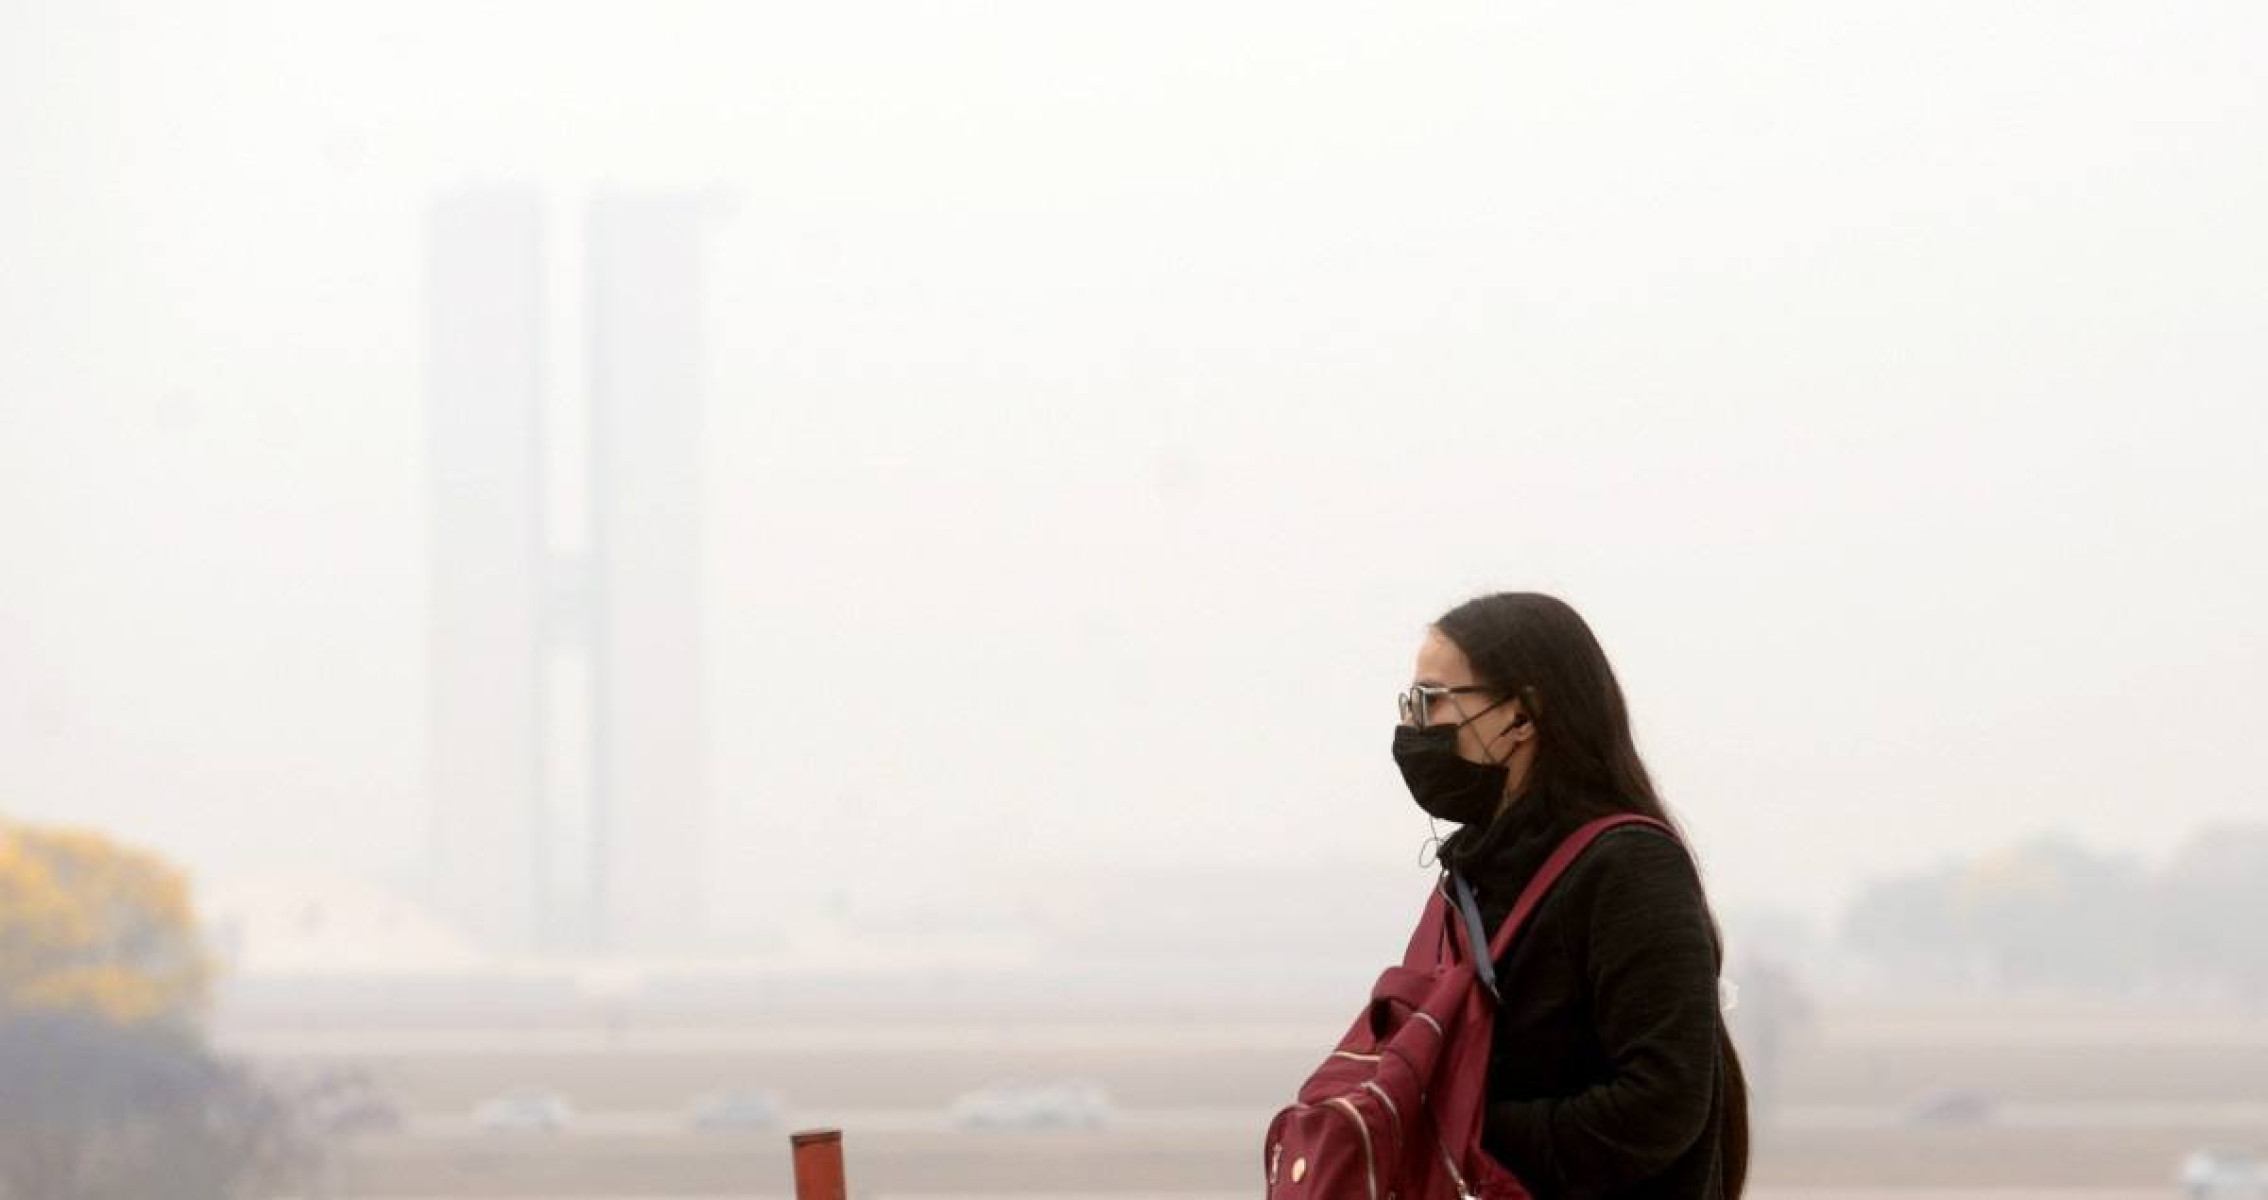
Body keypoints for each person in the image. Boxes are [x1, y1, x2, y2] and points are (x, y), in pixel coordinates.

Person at [1392, 592, 1749, 1198]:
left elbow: (1660, 1107)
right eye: (1408, 704)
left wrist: (1462, 1128)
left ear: (1523, 717)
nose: (1412, 727)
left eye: (1432, 701)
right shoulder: (1477, 869)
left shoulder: (1630, 868)